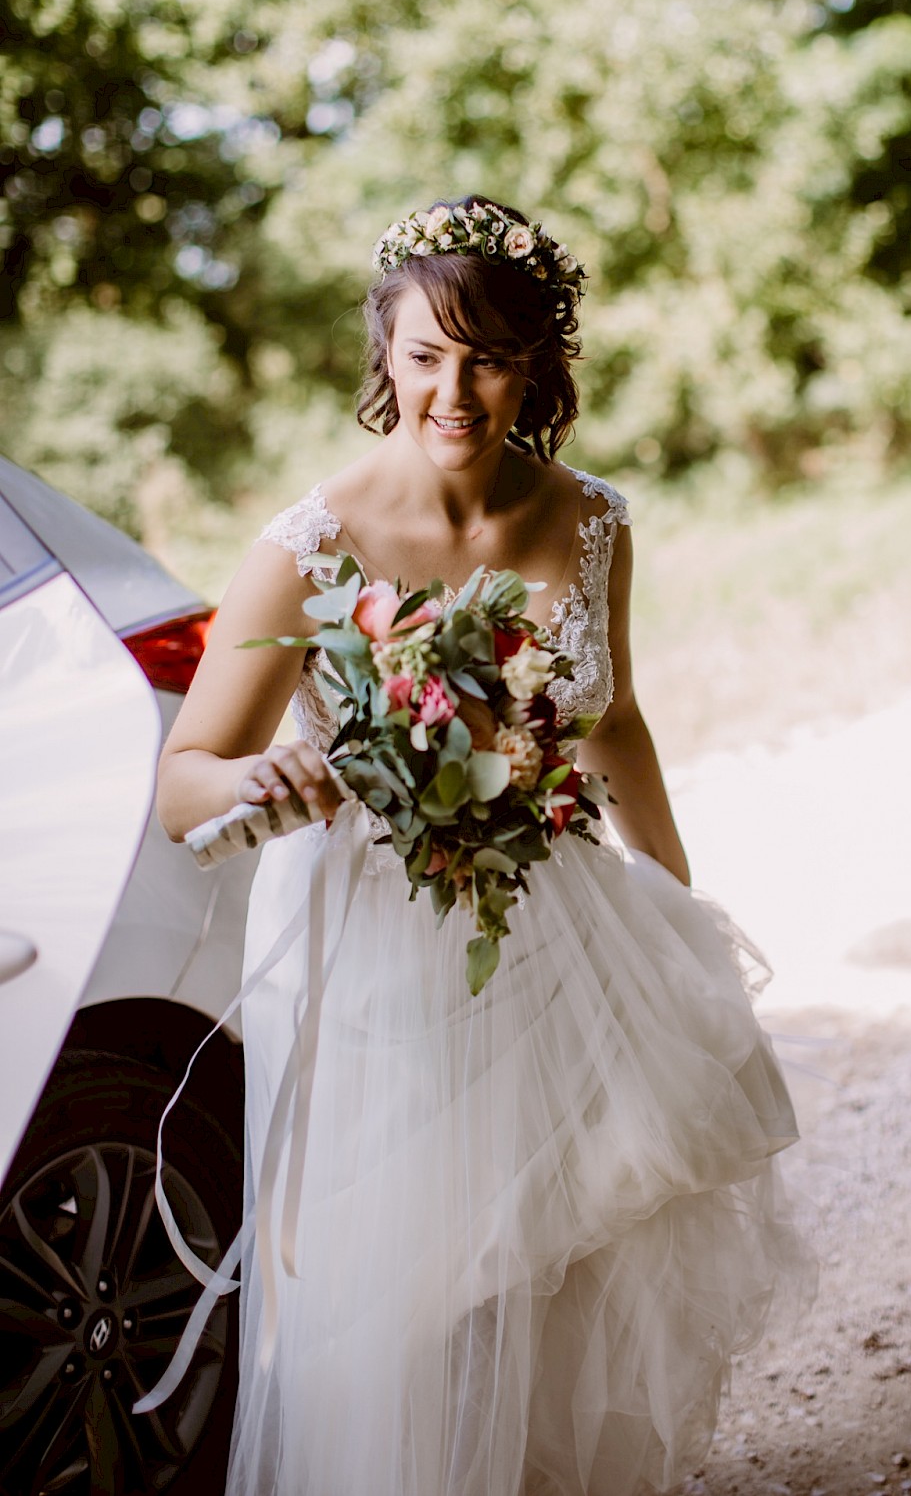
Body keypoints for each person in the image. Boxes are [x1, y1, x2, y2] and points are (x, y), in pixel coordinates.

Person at [157, 195, 806, 1496]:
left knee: (573, 1261)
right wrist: (271, 775)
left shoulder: (595, 520)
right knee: (415, 1292)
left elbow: (613, 718)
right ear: (383, 358)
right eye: (425, 356)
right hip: (384, 964)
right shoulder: (305, 551)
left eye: (491, 355)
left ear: (538, 364)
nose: (456, 388)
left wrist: (677, 917)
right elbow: (184, 782)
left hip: (558, 928)